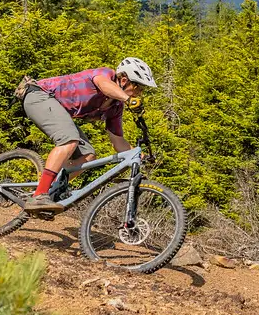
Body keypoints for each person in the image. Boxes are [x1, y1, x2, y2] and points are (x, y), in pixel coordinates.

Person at [16, 57, 157, 213]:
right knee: (69, 140)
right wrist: (128, 99)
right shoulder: (106, 74)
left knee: (88, 155)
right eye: (138, 88)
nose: (140, 93)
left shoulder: (115, 108)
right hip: (38, 94)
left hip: (57, 108)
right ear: (124, 80)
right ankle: (40, 194)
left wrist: (140, 156)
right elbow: (103, 84)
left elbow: (118, 142)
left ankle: (51, 190)